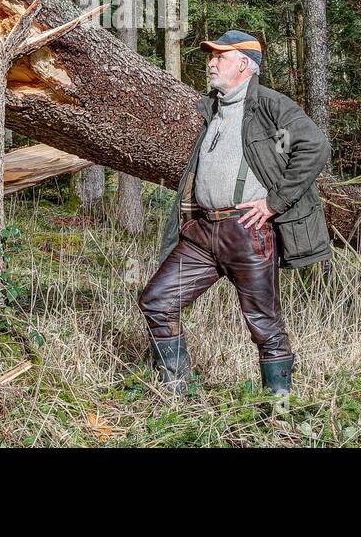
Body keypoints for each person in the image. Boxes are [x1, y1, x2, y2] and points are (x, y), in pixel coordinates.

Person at [137, 30, 332, 397]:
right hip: (202, 233)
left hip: (246, 231)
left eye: (219, 57)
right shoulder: (214, 107)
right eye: (211, 56)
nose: (211, 62)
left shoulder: (269, 109)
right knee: (157, 301)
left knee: (264, 324)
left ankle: (279, 406)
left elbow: (313, 147)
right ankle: (177, 393)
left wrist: (274, 202)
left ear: (244, 64)